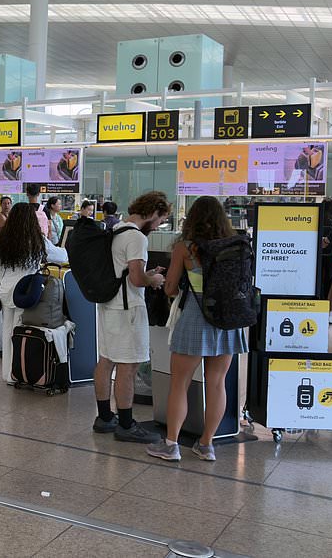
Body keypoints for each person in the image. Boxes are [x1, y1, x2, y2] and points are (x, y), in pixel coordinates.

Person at [146, 196, 248, 463]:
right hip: (227, 319)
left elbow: (169, 288)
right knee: (217, 384)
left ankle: (171, 444)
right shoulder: (235, 245)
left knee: (179, 383)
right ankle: (206, 445)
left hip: (195, 317)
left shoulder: (186, 247)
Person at [93, 190, 170, 443]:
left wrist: (144, 273)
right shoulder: (137, 237)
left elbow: (125, 271)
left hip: (108, 305)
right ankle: (126, 424)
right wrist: (154, 279)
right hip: (128, 310)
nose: (158, 226)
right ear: (152, 212)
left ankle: (105, 417)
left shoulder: (117, 229)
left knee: (106, 362)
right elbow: (137, 279)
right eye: (159, 220)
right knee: (128, 366)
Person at [0, 203, 48, 384]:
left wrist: (1, 287)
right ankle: (19, 372)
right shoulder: (37, 240)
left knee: (8, 331)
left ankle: (7, 374)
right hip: (25, 292)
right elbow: (62, 256)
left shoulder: (1, 239)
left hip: (6, 290)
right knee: (21, 332)